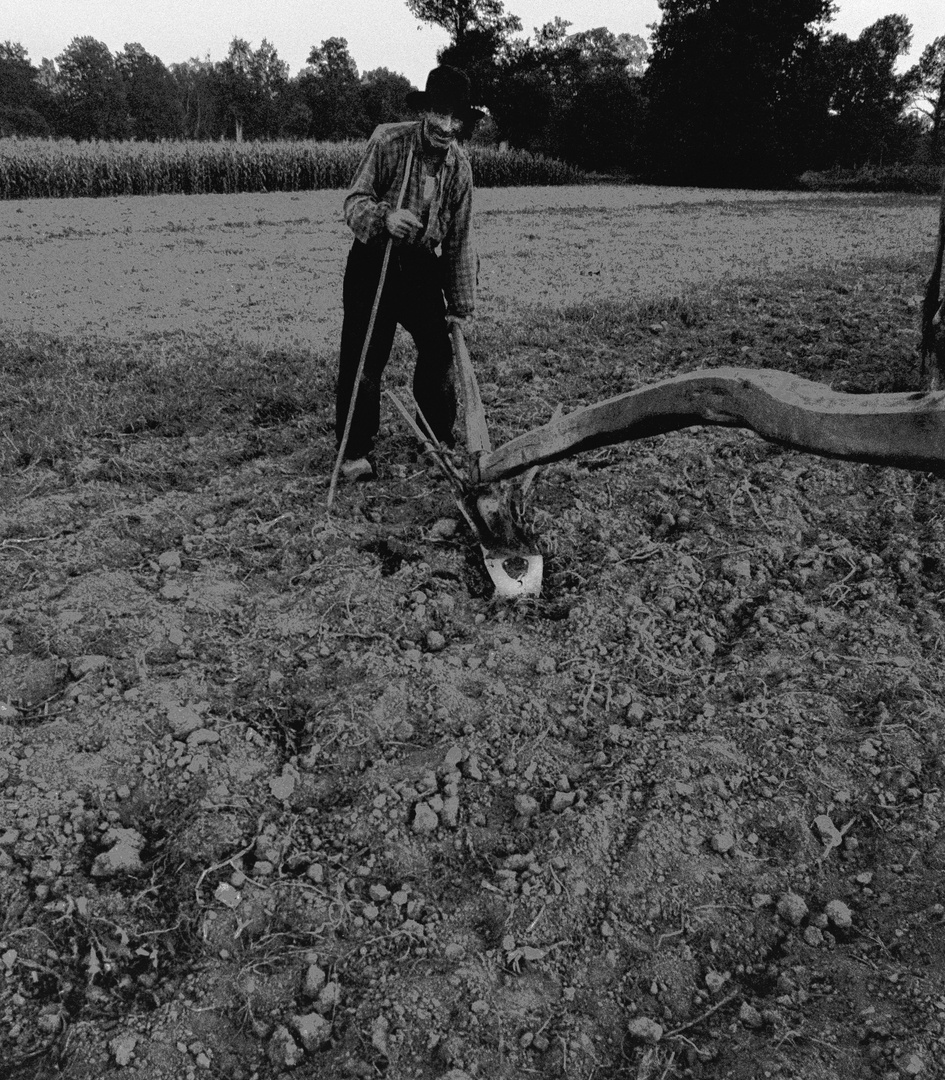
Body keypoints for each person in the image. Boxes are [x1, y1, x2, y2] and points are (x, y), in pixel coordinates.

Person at [335, 65, 483, 481]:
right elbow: (354, 202)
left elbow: (459, 239)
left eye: (455, 118)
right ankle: (354, 453)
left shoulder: (460, 169)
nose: (446, 125)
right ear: (425, 112)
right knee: (366, 356)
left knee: (438, 354)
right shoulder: (389, 141)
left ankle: (436, 441)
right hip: (374, 261)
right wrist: (385, 218)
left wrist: (459, 303)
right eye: (440, 113)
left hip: (420, 267)